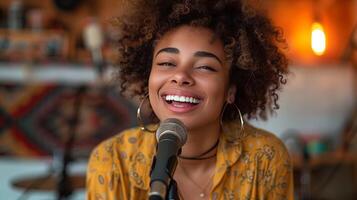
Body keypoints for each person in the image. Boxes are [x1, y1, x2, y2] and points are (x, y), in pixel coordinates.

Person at [86, 0, 293, 199]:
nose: (181, 76)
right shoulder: (111, 161)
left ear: (230, 90)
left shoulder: (265, 158)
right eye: (167, 63)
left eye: (204, 66)